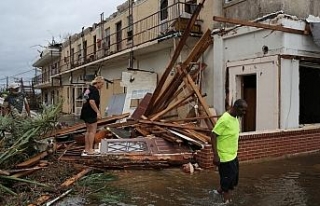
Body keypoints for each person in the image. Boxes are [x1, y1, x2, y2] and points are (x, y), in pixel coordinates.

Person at [210, 99, 248, 203]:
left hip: (233, 156)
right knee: (227, 184)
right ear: (236, 108)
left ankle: (217, 192)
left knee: (233, 180)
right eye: (243, 111)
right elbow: (213, 135)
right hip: (225, 158)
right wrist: (216, 156)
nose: (244, 114)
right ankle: (226, 202)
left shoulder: (235, 117)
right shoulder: (225, 119)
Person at [80, 76, 105, 155]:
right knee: (92, 131)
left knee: (88, 131)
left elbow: (84, 99)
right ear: (97, 83)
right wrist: (97, 112)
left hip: (85, 111)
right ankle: (90, 149)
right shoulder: (95, 90)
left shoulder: (88, 89)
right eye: (102, 84)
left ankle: (87, 148)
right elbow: (91, 101)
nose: (102, 86)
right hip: (91, 112)